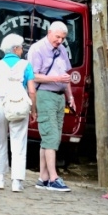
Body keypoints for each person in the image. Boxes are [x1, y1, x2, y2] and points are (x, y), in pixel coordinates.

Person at [27, 20, 75, 192]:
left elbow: (66, 76)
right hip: (44, 94)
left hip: (59, 97)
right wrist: (56, 79)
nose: (60, 41)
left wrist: (70, 96)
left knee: (50, 138)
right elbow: (32, 76)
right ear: (49, 32)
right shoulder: (37, 49)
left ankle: (43, 177)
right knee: (51, 135)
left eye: (62, 38)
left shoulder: (61, 50)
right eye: (57, 37)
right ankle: (54, 177)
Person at [0, 33, 35, 192]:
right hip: (18, 103)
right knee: (19, 142)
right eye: (21, 47)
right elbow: (32, 91)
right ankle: (16, 181)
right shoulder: (26, 65)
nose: (22, 50)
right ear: (15, 48)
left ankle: (0, 179)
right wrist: (33, 109)